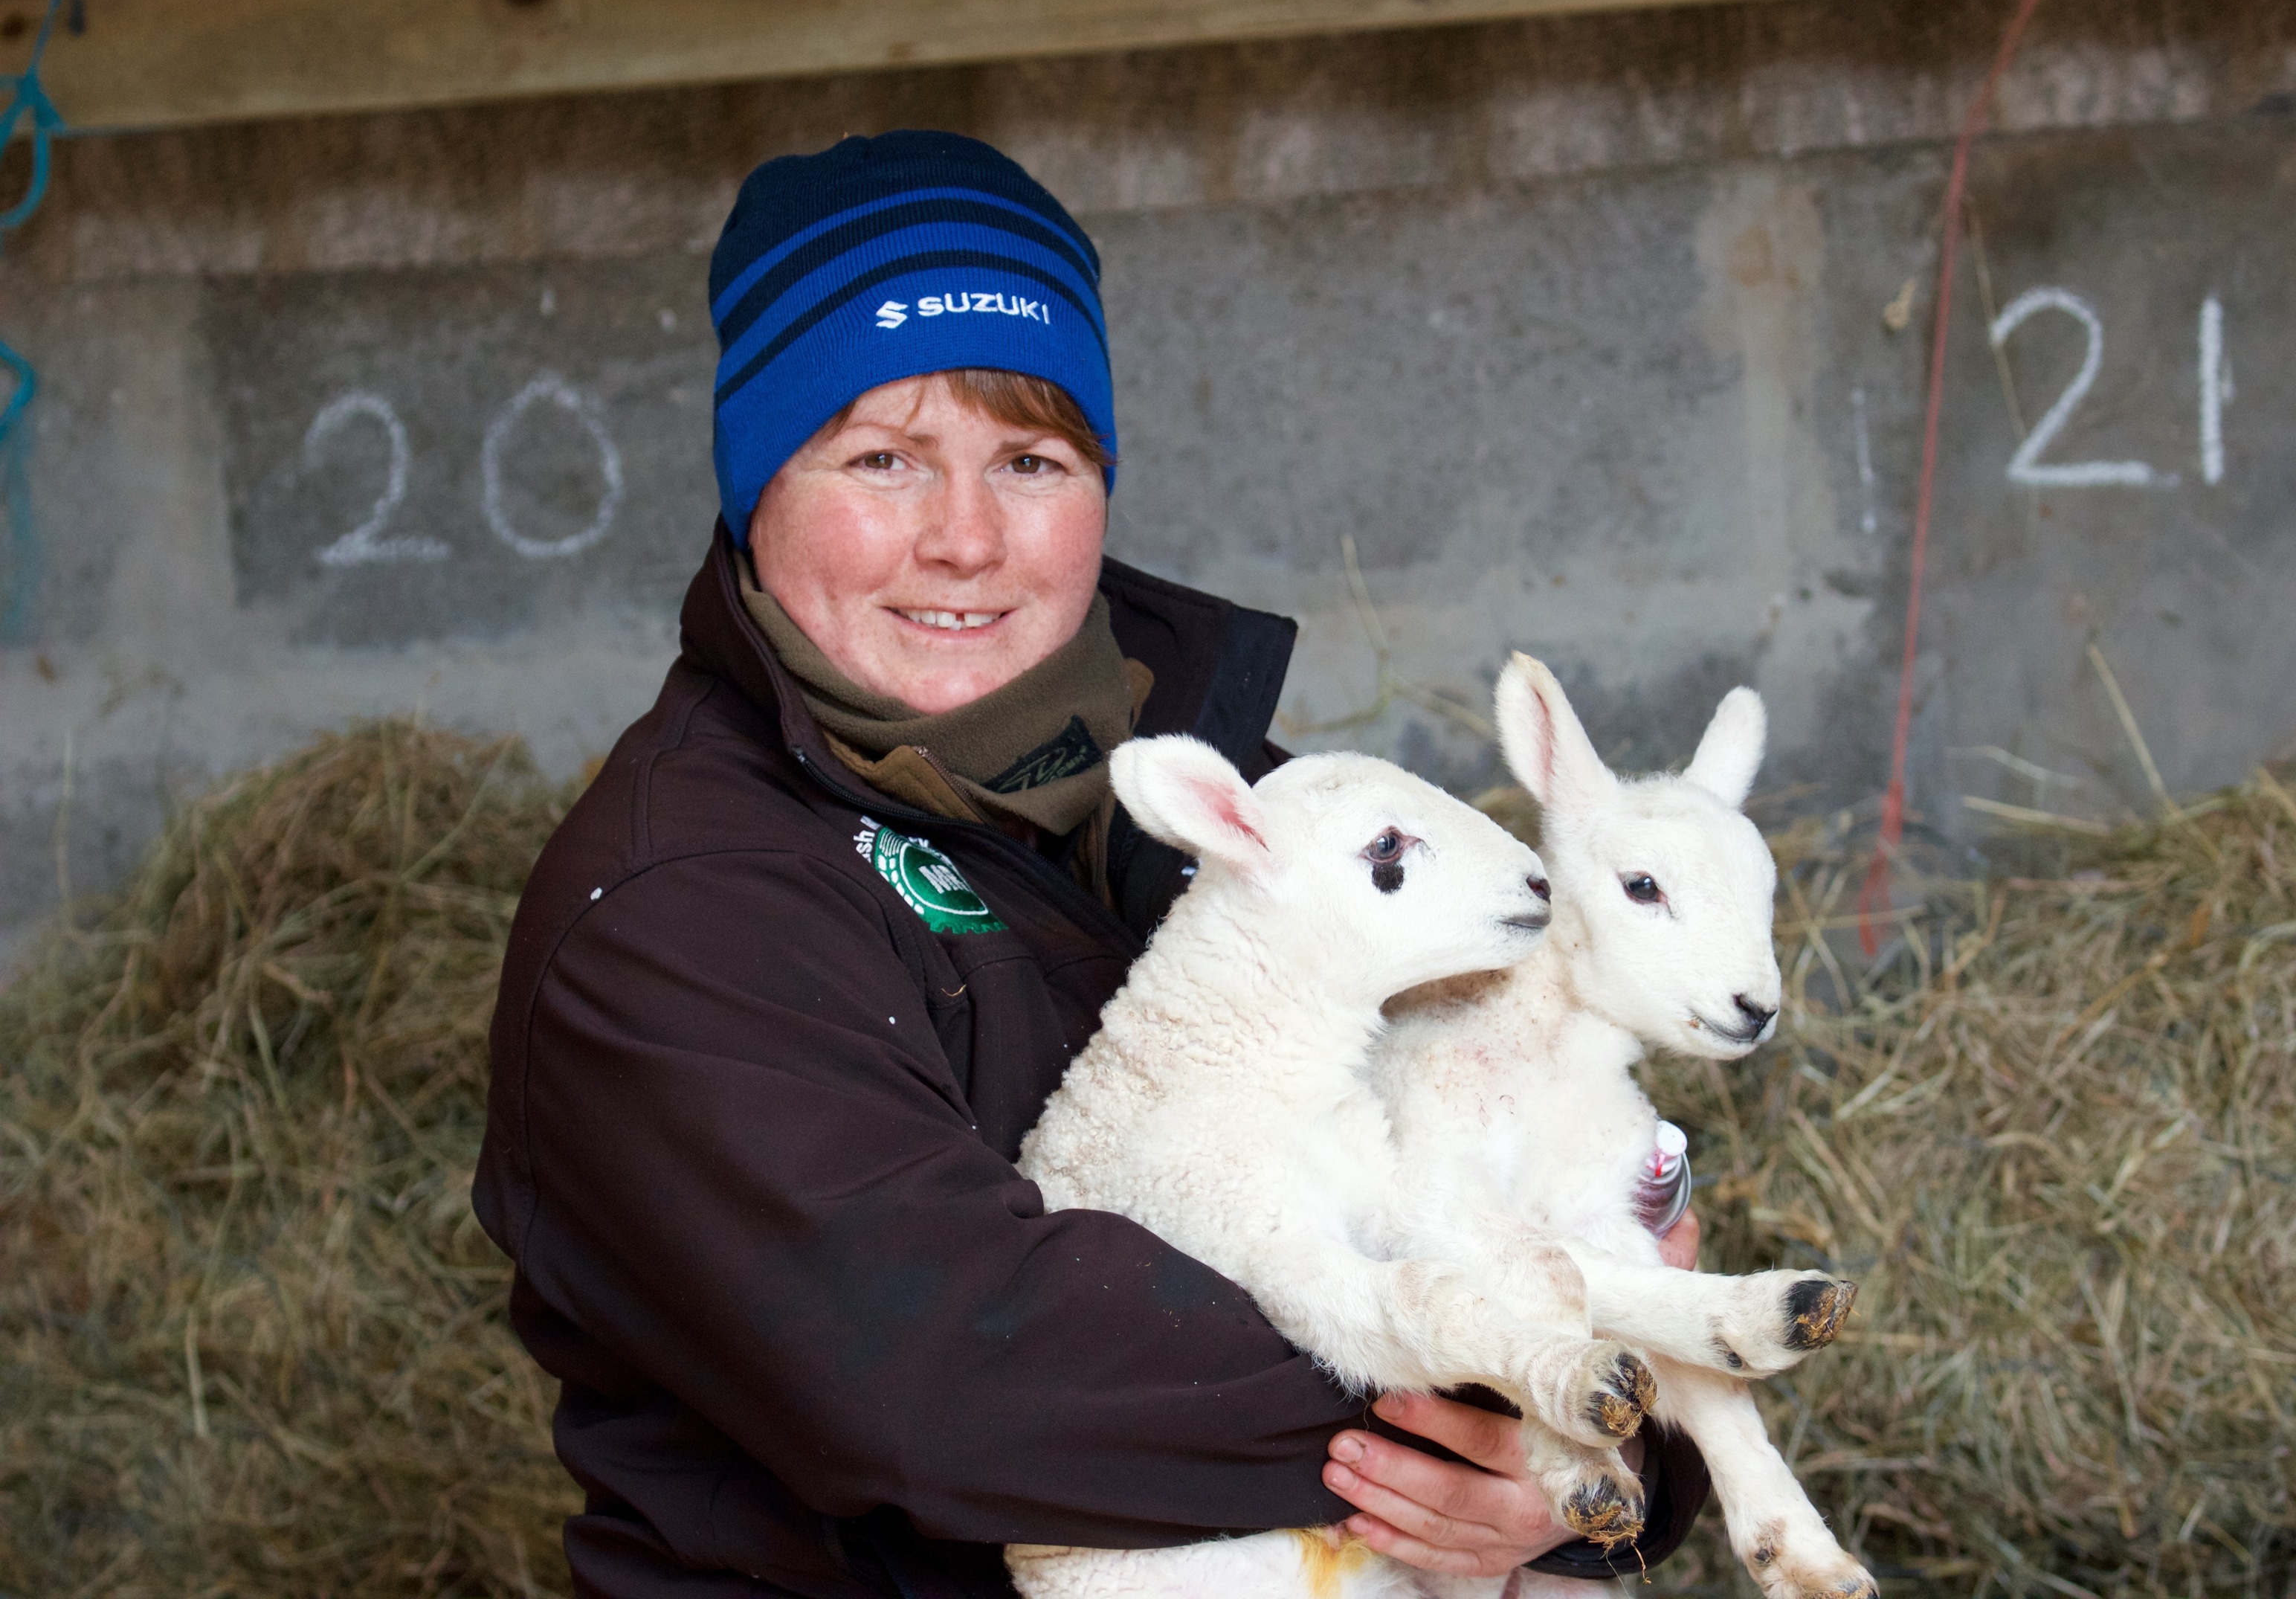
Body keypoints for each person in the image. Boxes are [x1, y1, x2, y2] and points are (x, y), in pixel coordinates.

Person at [474, 129, 1708, 1599]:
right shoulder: (674, 912)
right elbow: (947, 1374)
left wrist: (1602, 1463)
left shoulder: (1255, 809)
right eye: (883, 460)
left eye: (1030, 460)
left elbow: (1591, 1213)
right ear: (759, 487)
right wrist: (1527, 1385)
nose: (969, 539)